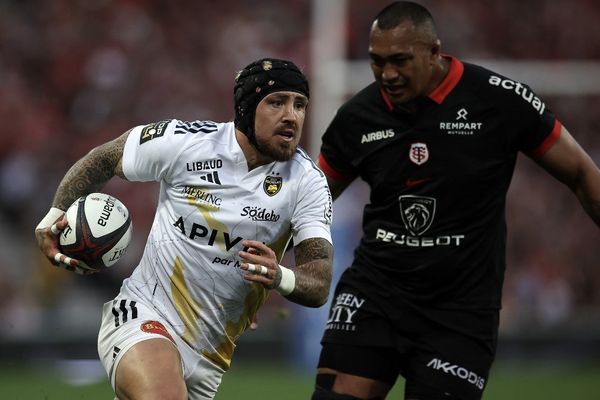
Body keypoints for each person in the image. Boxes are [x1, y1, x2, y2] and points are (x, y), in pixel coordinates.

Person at [311, 2, 600, 400]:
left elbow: (582, 173)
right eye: (377, 61)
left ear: (434, 52)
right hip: (375, 291)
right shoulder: (358, 117)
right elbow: (312, 201)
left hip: (461, 310)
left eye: (400, 60)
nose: (388, 74)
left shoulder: (499, 102)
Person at [34, 57, 334, 400]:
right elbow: (105, 157)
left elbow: (320, 280)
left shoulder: (307, 182)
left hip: (209, 358)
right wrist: (54, 214)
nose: (291, 116)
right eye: (277, 102)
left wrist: (279, 275)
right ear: (247, 108)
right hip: (143, 313)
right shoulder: (186, 143)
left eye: (300, 105)